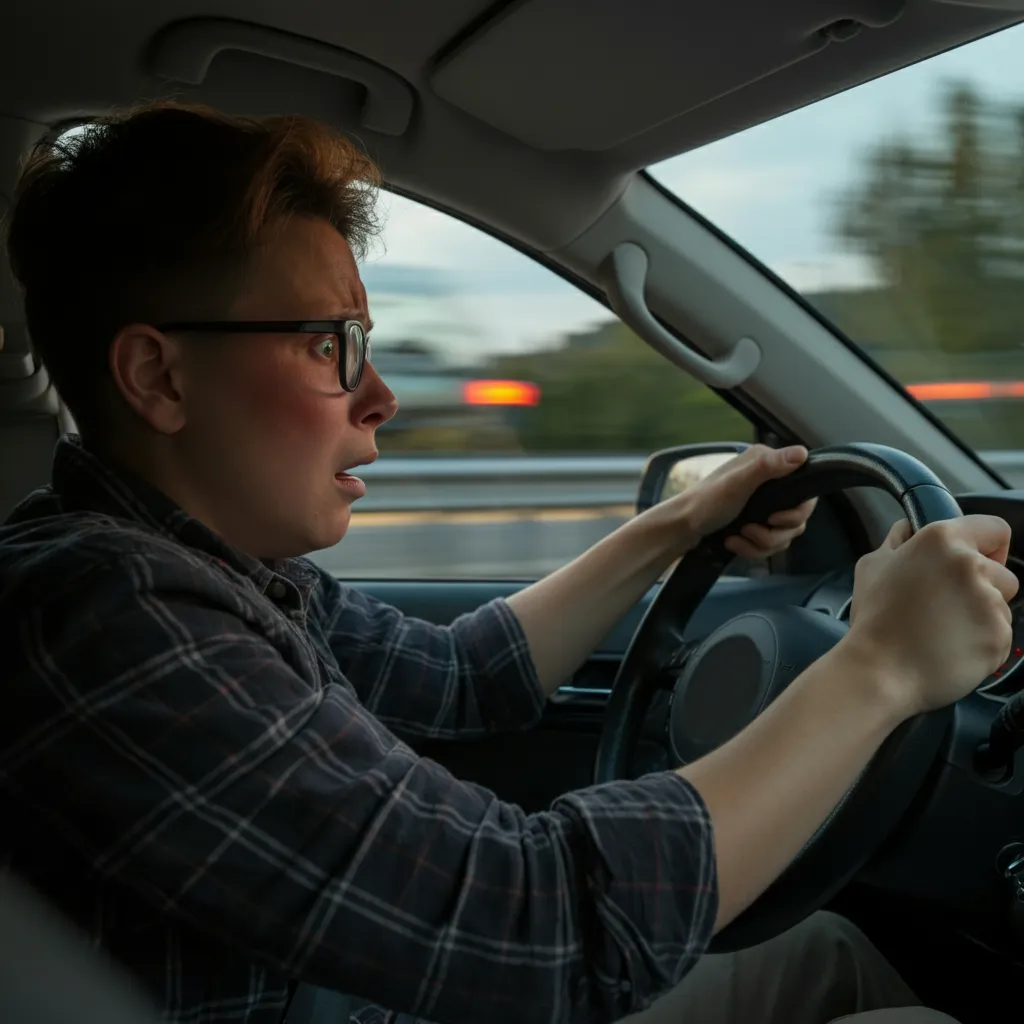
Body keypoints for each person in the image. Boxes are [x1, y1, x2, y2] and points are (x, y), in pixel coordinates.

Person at [0, 102, 1010, 1024]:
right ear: (157, 375)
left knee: (823, 950)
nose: (381, 394)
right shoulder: (103, 614)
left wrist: (680, 525)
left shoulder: (214, 575)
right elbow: (541, 925)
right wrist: (878, 668)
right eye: (327, 345)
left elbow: (464, 674)